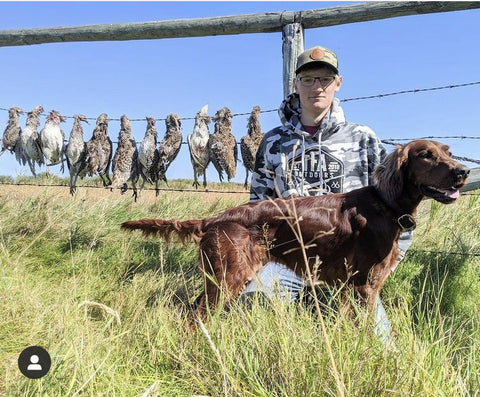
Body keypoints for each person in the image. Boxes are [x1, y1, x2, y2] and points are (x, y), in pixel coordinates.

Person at [242, 45, 413, 343]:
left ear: (338, 83)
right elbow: (258, 208)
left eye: (324, 79)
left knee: (379, 346)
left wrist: (383, 263)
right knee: (253, 313)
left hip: (351, 261)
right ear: (295, 85)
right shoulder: (273, 142)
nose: (316, 87)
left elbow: (396, 205)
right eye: (307, 80)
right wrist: (258, 261)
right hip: (288, 257)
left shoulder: (363, 138)